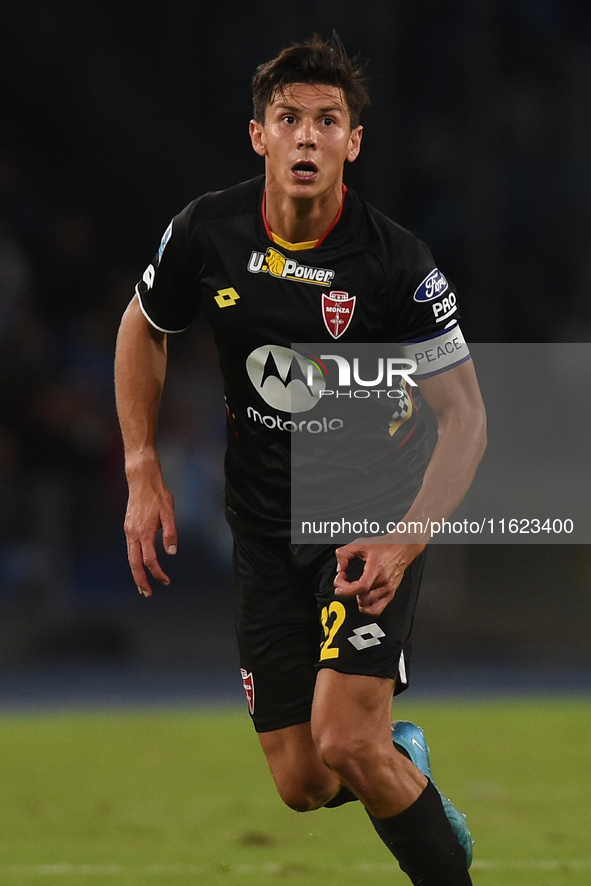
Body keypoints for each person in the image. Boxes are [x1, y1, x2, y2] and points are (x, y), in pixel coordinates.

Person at [115, 33, 486, 885]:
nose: (308, 136)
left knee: (344, 738)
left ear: (354, 141)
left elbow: (464, 417)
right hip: (262, 526)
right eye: (289, 119)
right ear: (260, 136)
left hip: (366, 522)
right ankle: (404, 762)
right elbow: (144, 325)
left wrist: (403, 542)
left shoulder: (395, 264)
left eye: (328, 120)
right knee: (303, 779)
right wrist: (142, 466)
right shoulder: (207, 231)